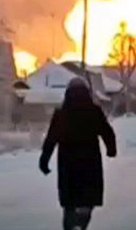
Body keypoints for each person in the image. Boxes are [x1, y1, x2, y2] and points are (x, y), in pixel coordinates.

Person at [39, 78, 117, 230]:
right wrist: (111, 149)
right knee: (88, 197)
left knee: (70, 199)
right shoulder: (94, 111)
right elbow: (107, 131)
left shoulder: (61, 114)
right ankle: (83, 221)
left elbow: (51, 138)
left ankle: (70, 221)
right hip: (90, 163)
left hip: (68, 164)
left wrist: (44, 159)